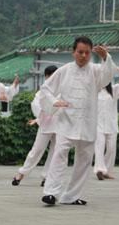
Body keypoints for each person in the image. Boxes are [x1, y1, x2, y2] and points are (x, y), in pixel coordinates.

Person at [40, 36, 114, 205]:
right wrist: (54, 102)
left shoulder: (95, 70)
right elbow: (46, 89)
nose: (83, 55)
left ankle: (72, 196)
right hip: (67, 121)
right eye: (80, 52)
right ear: (73, 52)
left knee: (84, 160)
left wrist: (106, 58)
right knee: (59, 154)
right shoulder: (64, 70)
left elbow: (107, 78)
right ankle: (51, 192)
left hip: (87, 122)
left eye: (87, 52)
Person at [12, 65, 58, 187]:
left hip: (59, 125)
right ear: (47, 76)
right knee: (37, 150)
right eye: (51, 76)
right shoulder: (42, 91)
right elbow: (36, 106)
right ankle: (21, 174)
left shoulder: (62, 91)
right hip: (46, 124)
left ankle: (47, 177)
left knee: (56, 152)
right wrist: (39, 119)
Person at [93, 67, 119, 180]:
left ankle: (106, 170)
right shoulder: (94, 92)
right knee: (99, 147)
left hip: (111, 124)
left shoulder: (113, 90)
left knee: (111, 149)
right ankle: (99, 170)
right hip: (98, 125)